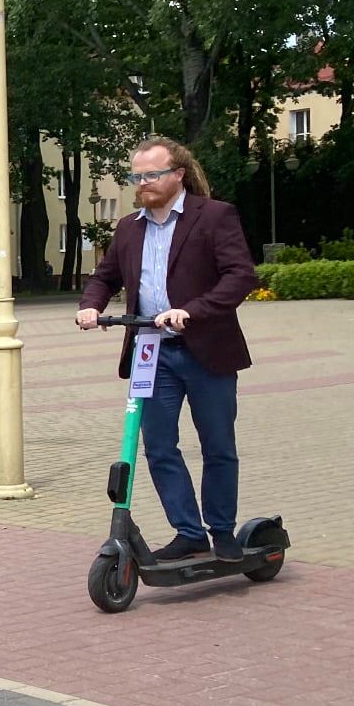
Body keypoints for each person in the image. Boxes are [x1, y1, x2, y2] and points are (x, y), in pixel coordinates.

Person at [77, 135, 258, 562]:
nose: (143, 183)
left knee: (217, 445)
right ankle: (188, 531)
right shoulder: (128, 228)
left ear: (177, 174)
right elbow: (105, 278)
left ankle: (221, 530)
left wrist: (192, 311)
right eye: (136, 176)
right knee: (158, 446)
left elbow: (239, 276)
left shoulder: (213, 216)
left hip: (207, 350)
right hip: (150, 352)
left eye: (152, 175)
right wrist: (90, 306)